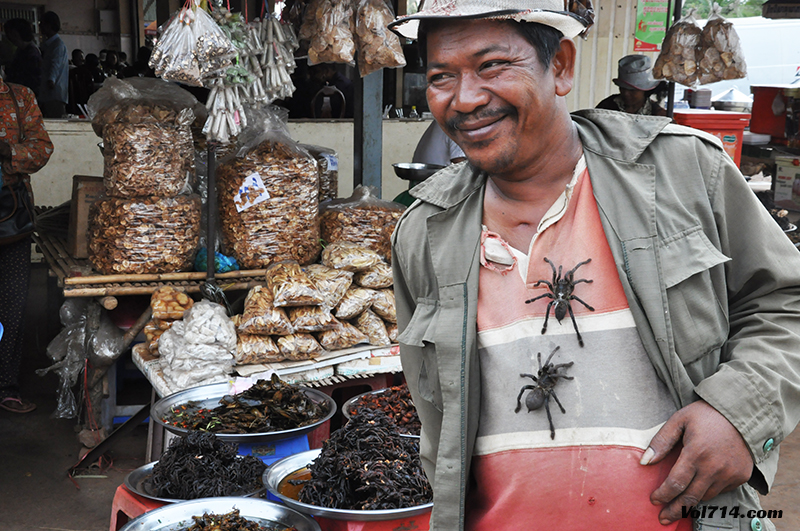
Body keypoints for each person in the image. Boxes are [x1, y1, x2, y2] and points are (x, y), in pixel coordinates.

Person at [388, 1, 800, 530]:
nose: (466, 98)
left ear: (560, 65)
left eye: (492, 65)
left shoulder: (682, 171)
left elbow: (786, 301)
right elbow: (438, 421)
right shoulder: (423, 231)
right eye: (442, 76)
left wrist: (740, 413)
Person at [0, 76, 54, 413]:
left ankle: (7, 385)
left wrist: (8, 151)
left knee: (12, 308)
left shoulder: (19, 97)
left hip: (11, 223)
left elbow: (42, 148)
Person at [596, 54, 668, 116]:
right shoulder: (606, 106)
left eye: (632, 90)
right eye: (622, 88)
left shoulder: (657, 114)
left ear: (645, 91)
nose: (626, 93)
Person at [38, 11, 69, 118]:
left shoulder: (57, 45)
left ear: (49, 25)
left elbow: (55, 65)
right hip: (49, 93)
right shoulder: (49, 44)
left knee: (55, 121)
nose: (40, 26)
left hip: (54, 93)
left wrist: (51, 80)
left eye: (42, 23)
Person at [3, 19, 42, 98]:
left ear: (16, 33)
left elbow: (30, 81)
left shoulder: (31, 54)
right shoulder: (21, 50)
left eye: (9, 33)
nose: (8, 37)